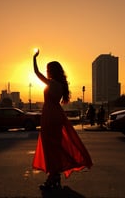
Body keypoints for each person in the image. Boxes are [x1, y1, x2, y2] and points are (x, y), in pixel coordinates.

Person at [32, 49, 93, 190]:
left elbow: (36, 72)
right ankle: (55, 176)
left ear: (52, 71)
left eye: (48, 69)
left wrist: (34, 58)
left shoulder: (51, 83)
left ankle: (53, 177)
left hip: (49, 116)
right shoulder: (62, 85)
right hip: (57, 115)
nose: (46, 71)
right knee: (56, 146)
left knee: (50, 148)